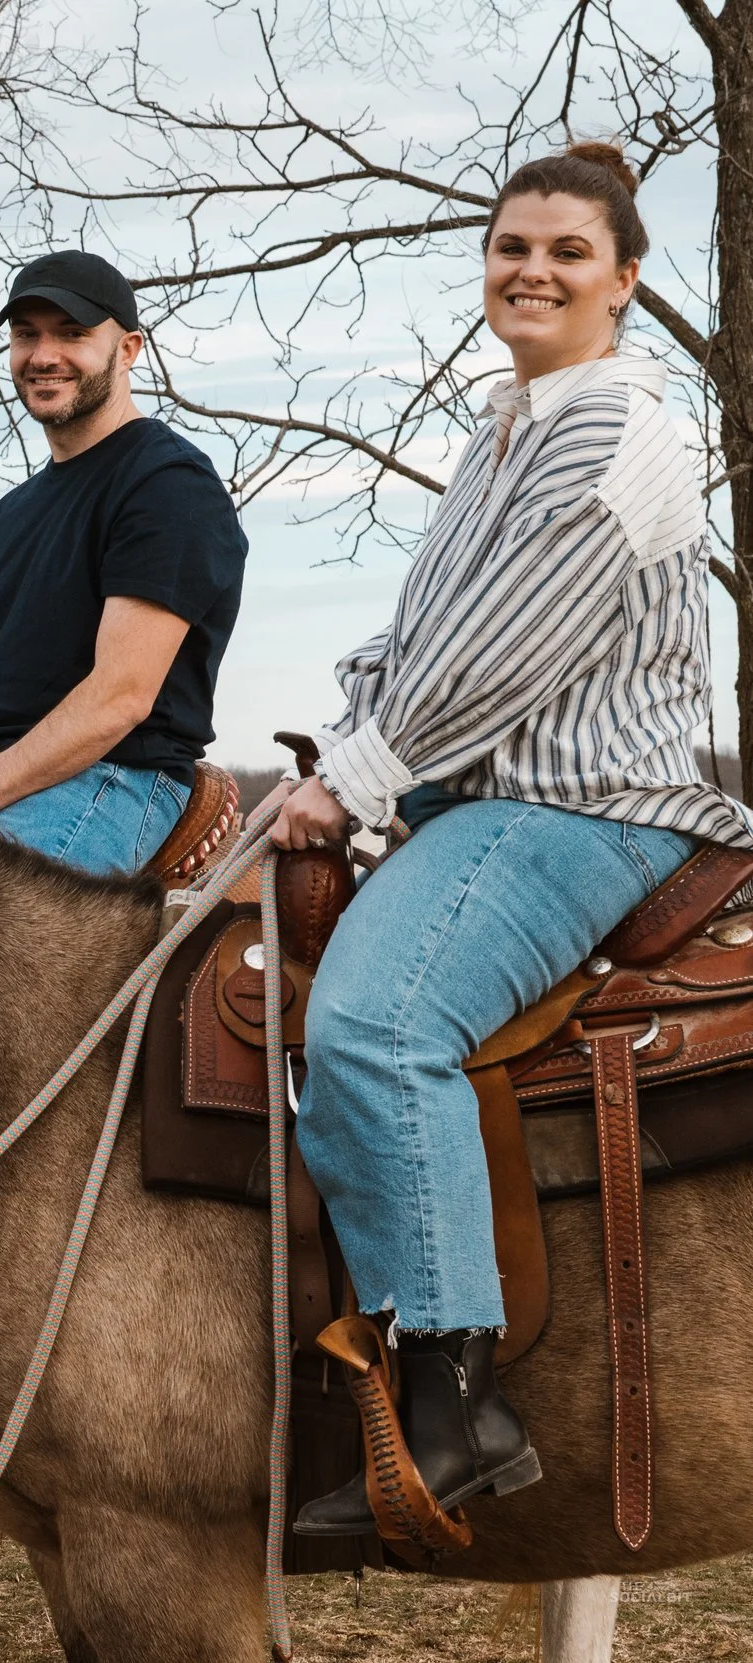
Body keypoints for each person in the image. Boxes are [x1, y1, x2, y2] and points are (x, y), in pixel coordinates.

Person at [277, 144, 753, 1536]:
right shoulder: (512, 427)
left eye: (566, 252)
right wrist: (347, 738)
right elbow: (416, 637)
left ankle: (453, 1408)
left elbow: (500, 652)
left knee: (376, 1023)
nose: (531, 271)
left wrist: (357, 775)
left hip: (585, 807)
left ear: (624, 279)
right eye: (511, 248)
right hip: (486, 802)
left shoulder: (613, 435)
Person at [0, 250, 248, 876]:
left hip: (110, 780)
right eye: (26, 335)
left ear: (127, 350)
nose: (43, 356)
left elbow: (119, 698)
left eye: (72, 334)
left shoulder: (168, 485)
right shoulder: (9, 516)